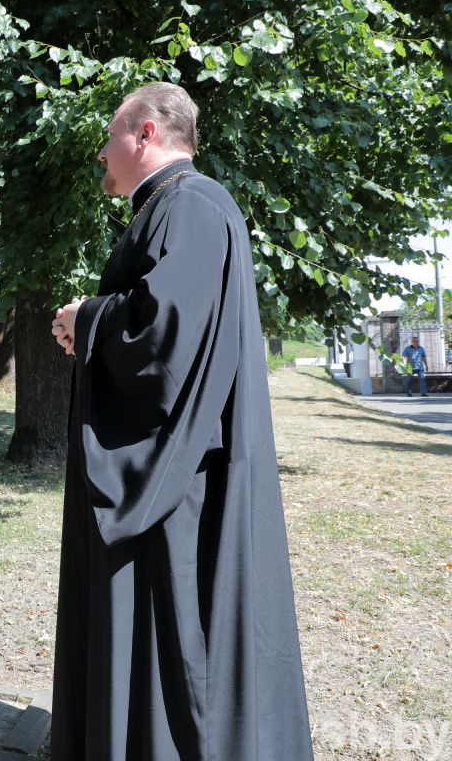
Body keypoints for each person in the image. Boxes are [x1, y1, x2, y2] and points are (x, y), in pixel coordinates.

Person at [47, 83, 314, 760]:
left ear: (144, 133)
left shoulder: (190, 205)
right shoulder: (177, 207)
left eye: (109, 137)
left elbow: (163, 340)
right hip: (181, 474)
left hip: (180, 488)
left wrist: (89, 318)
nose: (101, 154)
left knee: (176, 636)